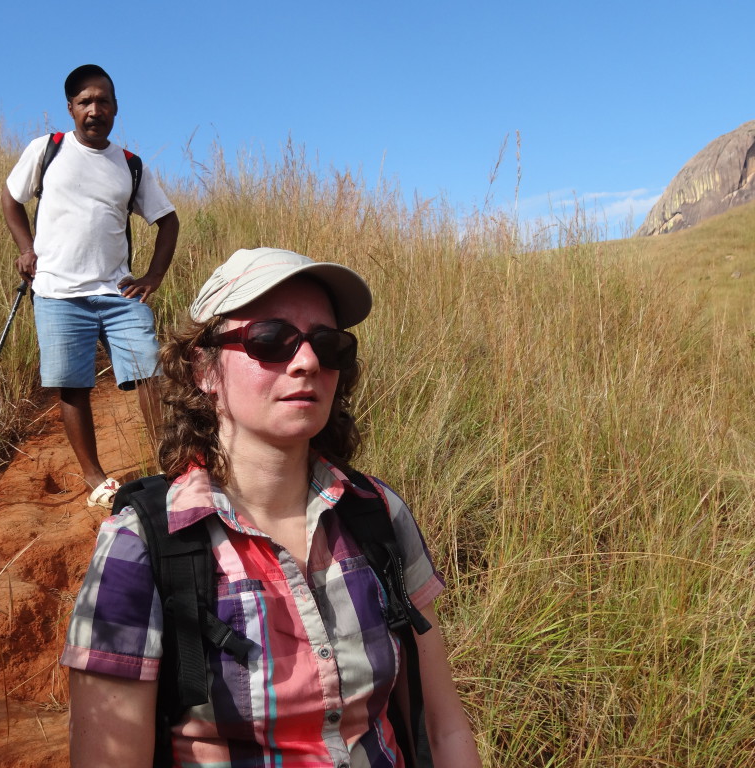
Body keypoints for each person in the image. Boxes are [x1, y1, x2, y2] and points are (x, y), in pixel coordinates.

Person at [62, 247, 481, 767]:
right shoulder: (142, 547)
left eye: (328, 346)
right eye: (270, 340)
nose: (306, 361)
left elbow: (442, 729)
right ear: (203, 369)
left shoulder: (378, 514)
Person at [1, 64, 179, 509]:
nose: (94, 109)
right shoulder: (47, 150)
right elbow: (11, 198)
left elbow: (168, 221)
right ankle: (95, 479)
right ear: (70, 108)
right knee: (72, 385)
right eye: (85, 101)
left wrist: (153, 277)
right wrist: (26, 248)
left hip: (119, 294)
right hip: (58, 292)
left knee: (149, 373)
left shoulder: (130, 165)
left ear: (115, 107)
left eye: (102, 100)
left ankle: (167, 468)